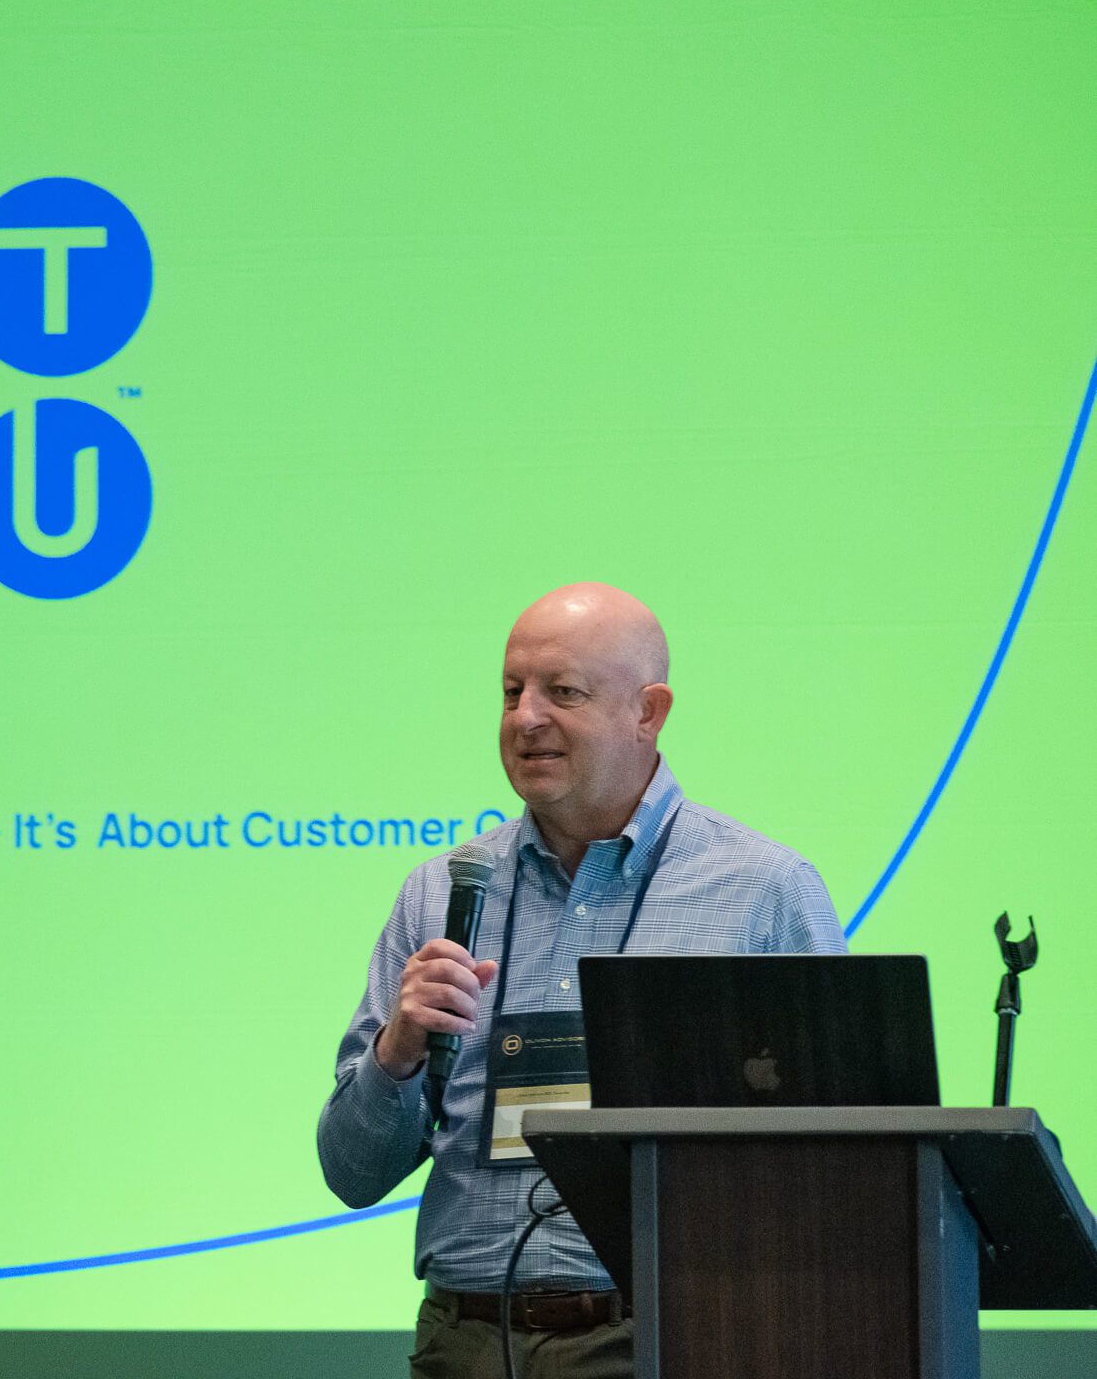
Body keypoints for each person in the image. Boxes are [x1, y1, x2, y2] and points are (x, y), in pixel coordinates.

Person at [316, 583, 845, 1379]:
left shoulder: (762, 892)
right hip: (463, 1340)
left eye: (562, 692)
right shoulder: (440, 894)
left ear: (648, 712)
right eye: (511, 692)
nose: (525, 718)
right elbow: (351, 1174)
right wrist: (396, 1054)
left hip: (668, 1336)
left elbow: (840, 1165)